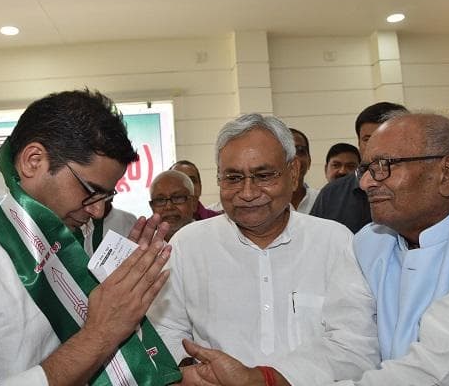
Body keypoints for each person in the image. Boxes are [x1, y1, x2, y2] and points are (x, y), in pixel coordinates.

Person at [178, 113, 449, 386]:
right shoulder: (371, 243)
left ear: (447, 173)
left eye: (384, 167)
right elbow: (352, 344)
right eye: (367, 167)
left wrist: (263, 382)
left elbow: (447, 373)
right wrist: (262, 379)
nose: (364, 182)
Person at [0, 90, 180, 386]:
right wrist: (100, 334)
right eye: (91, 191)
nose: (99, 211)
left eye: (107, 196)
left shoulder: (64, 238)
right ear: (33, 161)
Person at [148, 114, 353, 372]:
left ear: (293, 173)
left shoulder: (335, 242)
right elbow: (165, 328)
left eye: (263, 175)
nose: (247, 193)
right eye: (233, 178)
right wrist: (192, 371)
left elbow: (353, 345)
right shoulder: (187, 246)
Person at [310, 102, 408, 233]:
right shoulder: (332, 194)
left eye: (385, 137)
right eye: (367, 139)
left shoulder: (421, 184)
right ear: (358, 143)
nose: (376, 145)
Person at [149, 170, 197, 242]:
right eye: (160, 200)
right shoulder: (143, 245)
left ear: (194, 203)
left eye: (177, 198)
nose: (169, 207)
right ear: (152, 207)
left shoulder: (210, 239)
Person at [288, 128, 319, 213]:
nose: (294, 158)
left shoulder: (322, 198)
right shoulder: (264, 202)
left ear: (309, 161)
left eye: (300, 150)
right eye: (286, 152)